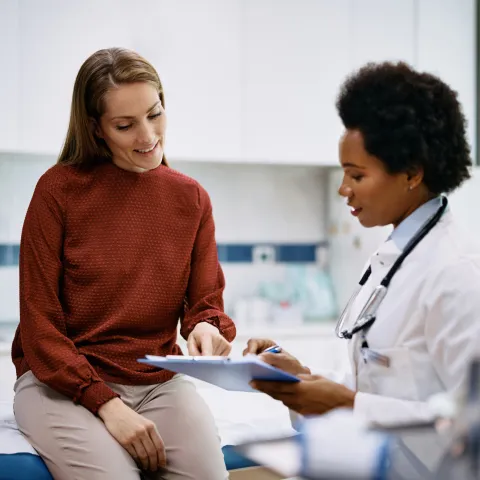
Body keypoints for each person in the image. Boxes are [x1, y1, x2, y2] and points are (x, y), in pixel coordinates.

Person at [11, 47, 235, 480]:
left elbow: (205, 304)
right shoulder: (58, 192)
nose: (148, 135)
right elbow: (40, 330)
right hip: (59, 384)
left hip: (157, 382)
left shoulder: (191, 198)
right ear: (96, 129)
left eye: (155, 114)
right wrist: (106, 403)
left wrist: (206, 328)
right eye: (125, 125)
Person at [244, 61, 480, 427]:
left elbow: (472, 418)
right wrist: (300, 377)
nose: (343, 188)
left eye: (357, 174)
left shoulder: (456, 272)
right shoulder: (395, 258)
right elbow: (375, 385)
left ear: (411, 174)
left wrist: (350, 406)